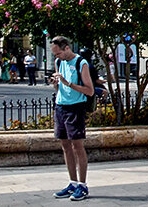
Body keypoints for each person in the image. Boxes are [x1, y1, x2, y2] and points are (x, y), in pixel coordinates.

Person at [49, 36, 94, 201]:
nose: (57, 57)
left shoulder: (81, 63)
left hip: (75, 107)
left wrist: (68, 84)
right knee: (65, 145)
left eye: (58, 53)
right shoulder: (59, 63)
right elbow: (58, 87)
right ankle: (72, 183)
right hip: (61, 106)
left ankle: (82, 185)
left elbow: (90, 91)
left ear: (67, 48)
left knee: (77, 145)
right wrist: (56, 83)